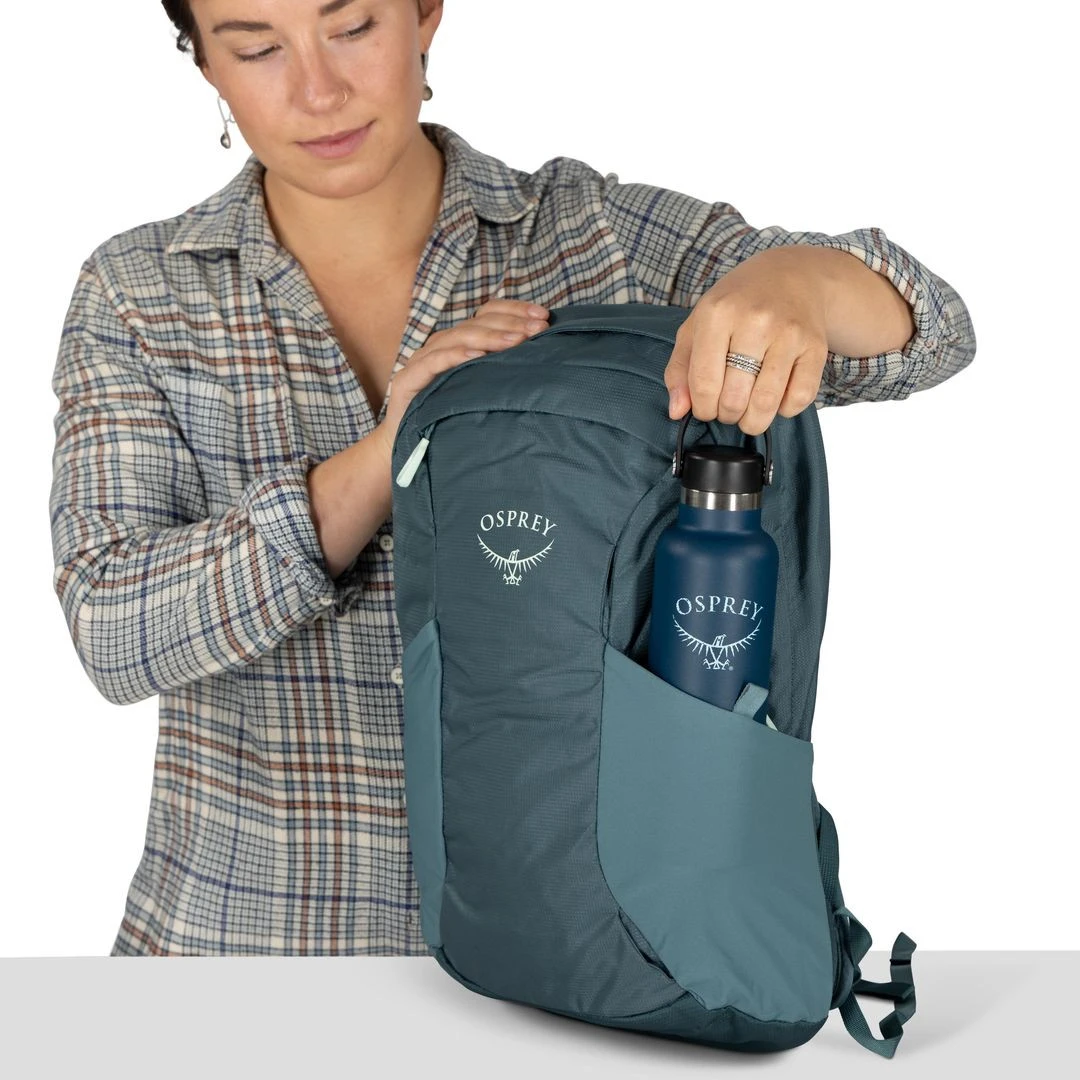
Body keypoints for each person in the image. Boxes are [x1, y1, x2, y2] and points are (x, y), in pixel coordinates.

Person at [49, 0, 976, 956]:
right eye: (256, 49)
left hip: (575, 969)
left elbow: (931, 332)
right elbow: (114, 631)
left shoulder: (592, 236)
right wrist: (388, 455)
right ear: (205, 63)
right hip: (238, 951)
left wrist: (797, 284)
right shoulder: (139, 293)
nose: (318, 90)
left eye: (353, 27)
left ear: (425, 13)